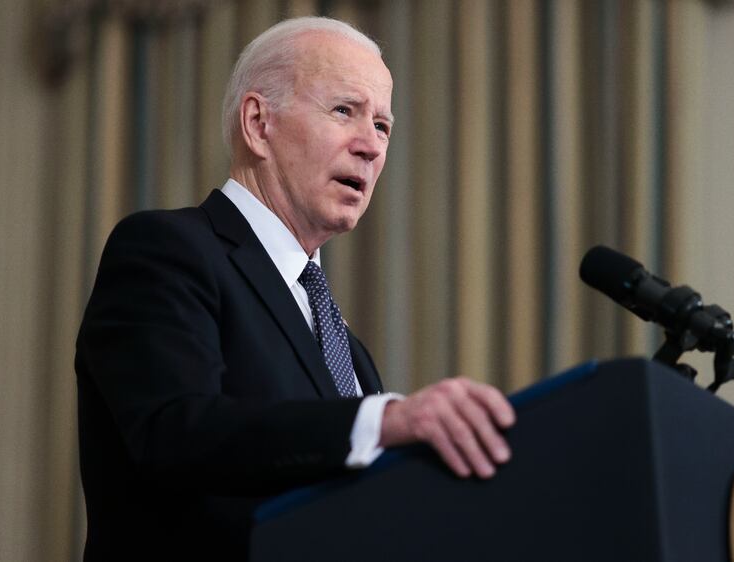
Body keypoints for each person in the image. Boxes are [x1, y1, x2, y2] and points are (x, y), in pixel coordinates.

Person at [75, 16, 515, 560]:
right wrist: (387, 421)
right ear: (259, 124)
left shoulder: (343, 341)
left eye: (382, 125)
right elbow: (175, 432)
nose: (371, 147)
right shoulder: (167, 249)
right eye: (344, 111)